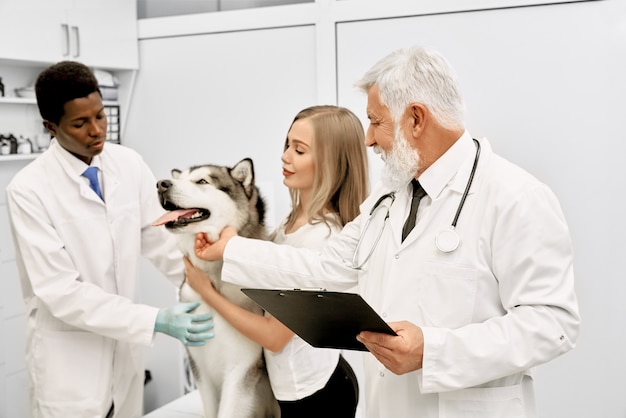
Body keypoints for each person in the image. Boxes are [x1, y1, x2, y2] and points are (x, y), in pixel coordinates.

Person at [191, 46, 581, 417]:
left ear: (415, 118)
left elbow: (553, 323)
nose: (368, 138)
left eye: (376, 121)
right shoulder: (390, 196)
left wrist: (433, 350)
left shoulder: (515, 197)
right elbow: (330, 267)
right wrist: (232, 249)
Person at [6, 61, 214, 418]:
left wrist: (211, 287)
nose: (96, 130)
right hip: (69, 364)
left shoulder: (127, 163)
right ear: (50, 128)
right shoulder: (28, 189)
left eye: (100, 116)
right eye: (80, 123)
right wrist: (156, 320)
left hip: (124, 353)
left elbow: (161, 240)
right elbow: (61, 292)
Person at [184, 105, 368, 417]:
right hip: (295, 388)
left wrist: (207, 293)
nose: (285, 156)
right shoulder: (290, 222)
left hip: (316, 397)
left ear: (329, 163)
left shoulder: (319, 237)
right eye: (287, 145)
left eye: (299, 150)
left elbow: (274, 337)